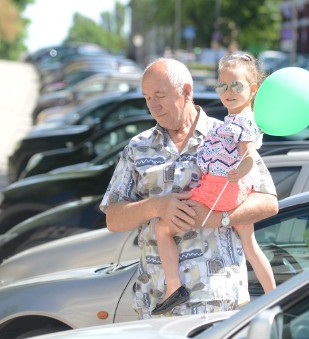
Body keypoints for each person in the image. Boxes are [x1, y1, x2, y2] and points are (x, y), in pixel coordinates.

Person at [100, 58, 278, 319]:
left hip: (221, 302)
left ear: (186, 91)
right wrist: (156, 206)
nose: (153, 106)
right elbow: (113, 219)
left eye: (160, 96)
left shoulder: (228, 134)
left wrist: (220, 218)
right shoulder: (137, 148)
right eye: (147, 98)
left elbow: (268, 202)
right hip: (159, 304)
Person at [152, 52, 276, 315]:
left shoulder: (241, 122)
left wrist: (238, 172)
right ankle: (274, 297)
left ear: (253, 89)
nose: (228, 91)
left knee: (163, 229)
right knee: (251, 246)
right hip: (234, 192)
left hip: (220, 191)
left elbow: (250, 155)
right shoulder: (239, 119)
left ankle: (173, 286)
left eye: (236, 85)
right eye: (223, 85)